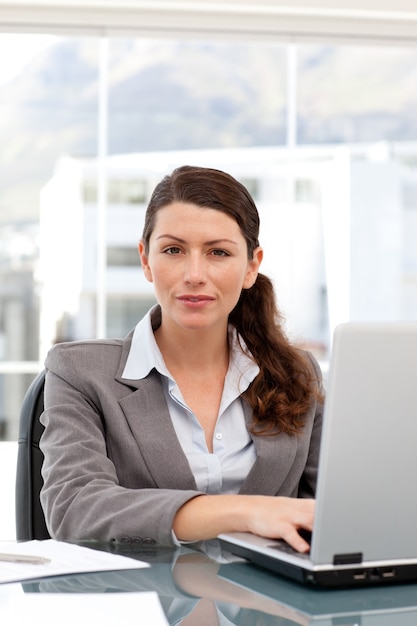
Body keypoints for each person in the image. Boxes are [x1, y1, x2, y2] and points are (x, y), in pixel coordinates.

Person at [40, 165, 324, 552]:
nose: (195, 274)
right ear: (145, 259)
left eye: (218, 253)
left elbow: (328, 509)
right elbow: (74, 508)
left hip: (269, 608)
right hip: (144, 605)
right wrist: (244, 512)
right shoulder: (81, 371)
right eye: (173, 250)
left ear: (251, 266)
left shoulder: (296, 373)